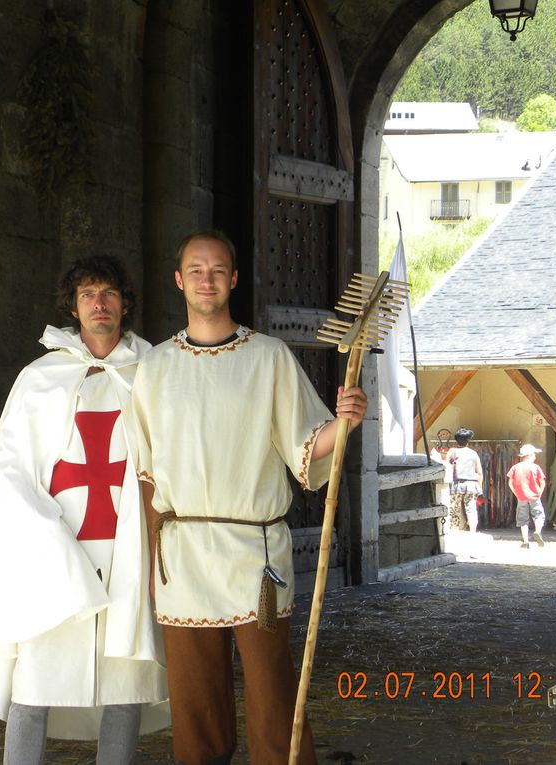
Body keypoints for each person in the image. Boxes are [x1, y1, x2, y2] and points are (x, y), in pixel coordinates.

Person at [0, 255, 168, 765]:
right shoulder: (40, 378)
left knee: (125, 681)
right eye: (87, 294)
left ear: (125, 304)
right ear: (73, 308)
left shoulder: (154, 372)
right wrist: (48, 542)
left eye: (109, 293)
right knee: (33, 684)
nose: (99, 303)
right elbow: (9, 470)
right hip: (54, 549)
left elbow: (173, 458)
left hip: (129, 546)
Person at [131, 230, 368, 765]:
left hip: (254, 555)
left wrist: (346, 420)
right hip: (183, 556)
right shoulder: (155, 368)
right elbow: (145, 473)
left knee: (272, 696)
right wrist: (150, 559)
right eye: (196, 270)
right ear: (179, 280)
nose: (207, 279)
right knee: (195, 703)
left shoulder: (269, 358)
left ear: (233, 279)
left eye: (217, 270)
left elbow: (307, 444)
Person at [507, 443, 547, 548]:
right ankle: (537, 531)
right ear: (529, 455)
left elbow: (510, 483)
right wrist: (539, 494)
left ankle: (525, 541)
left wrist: (517, 494)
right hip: (535, 497)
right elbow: (542, 482)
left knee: (523, 519)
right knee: (539, 515)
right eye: (534, 454)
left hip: (521, 497)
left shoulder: (515, 467)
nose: (535, 456)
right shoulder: (536, 467)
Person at [446, 427, 483, 532]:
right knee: (471, 509)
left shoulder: (452, 452)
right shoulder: (473, 453)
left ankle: (454, 531)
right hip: (471, 484)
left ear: (456, 440)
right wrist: (480, 488)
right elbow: (479, 472)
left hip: (456, 484)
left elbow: (447, 467)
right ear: (468, 441)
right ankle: (472, 532)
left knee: (454, 509)